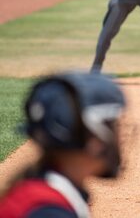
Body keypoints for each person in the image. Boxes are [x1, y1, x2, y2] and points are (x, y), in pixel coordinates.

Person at [0, 72, 126, 217]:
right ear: (94, 137)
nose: (120, 137)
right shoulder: (47, 211)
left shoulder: (43, 189)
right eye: (113, 126)